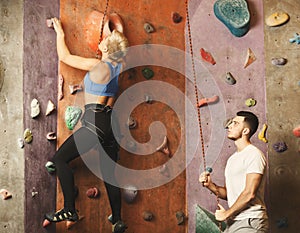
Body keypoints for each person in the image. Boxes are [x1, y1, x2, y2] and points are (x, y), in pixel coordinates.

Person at [44, 17, 129, 233]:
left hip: (96, 122)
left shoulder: (97, 65)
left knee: (60, 159)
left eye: (105, 38)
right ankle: (118, 220)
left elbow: (64, 56)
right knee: (109, 173)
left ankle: (69, 209)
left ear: (108, 46)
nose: (101, 39)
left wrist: (60, 32)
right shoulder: (118, 69)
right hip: (110, 126)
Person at [199, 111, 269, 233]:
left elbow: (249, 193)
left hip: (251, 221)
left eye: (235, 123)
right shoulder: (232, 159)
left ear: (245, 131)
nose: (229, 126)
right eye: (231, 123)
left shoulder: (254, 155)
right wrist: (210, 185)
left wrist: (226, 214)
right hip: (235, 222)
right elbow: (228, 194)